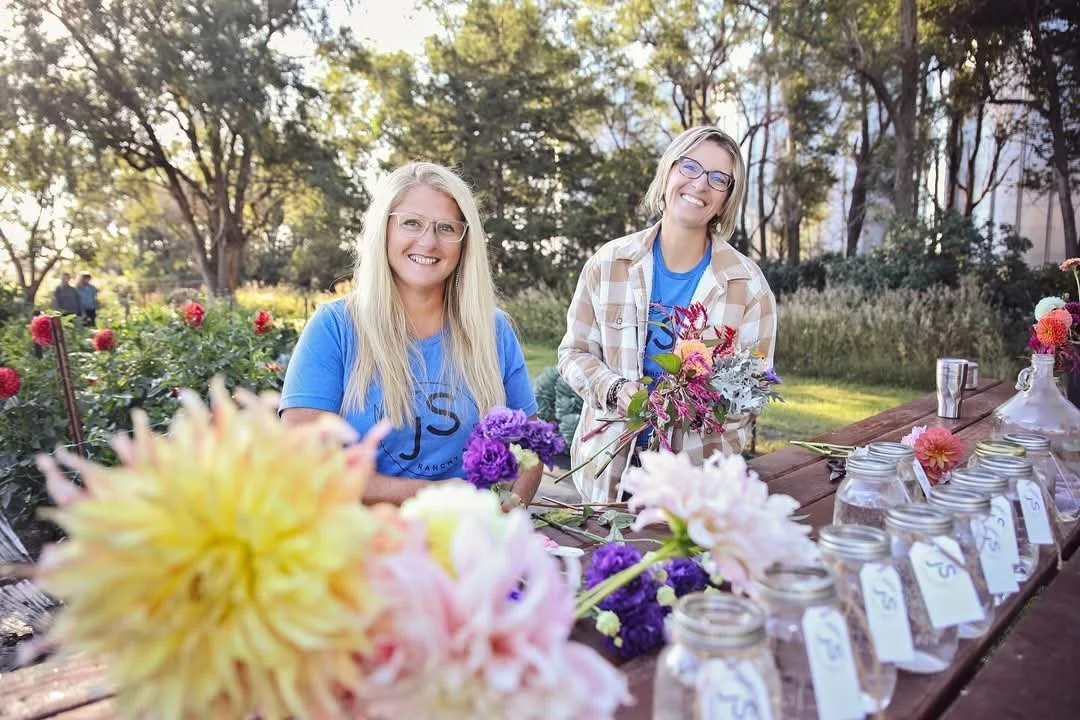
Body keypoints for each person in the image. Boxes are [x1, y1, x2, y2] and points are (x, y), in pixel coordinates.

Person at [280, 162, 541, 506]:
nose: (429, 242)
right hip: (356, 544)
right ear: (384, 229)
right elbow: (304, 464)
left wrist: (503, 512)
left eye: (447, 227)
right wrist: (439, 498)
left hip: (465, 543)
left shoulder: (492, 331)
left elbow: (529, 451)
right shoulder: (335, 328)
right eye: (411, 223)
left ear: (465, 242)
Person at [558, 126, 778, 503]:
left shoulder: (747, 288)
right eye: (689, 167)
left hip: (696, 489)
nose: (700, 184)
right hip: (607, 479)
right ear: (668, 173)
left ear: (727, 197)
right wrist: (615, 391)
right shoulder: (609, 264)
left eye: (718, 178)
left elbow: (751, 394)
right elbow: (573, 354)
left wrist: (695, 408)